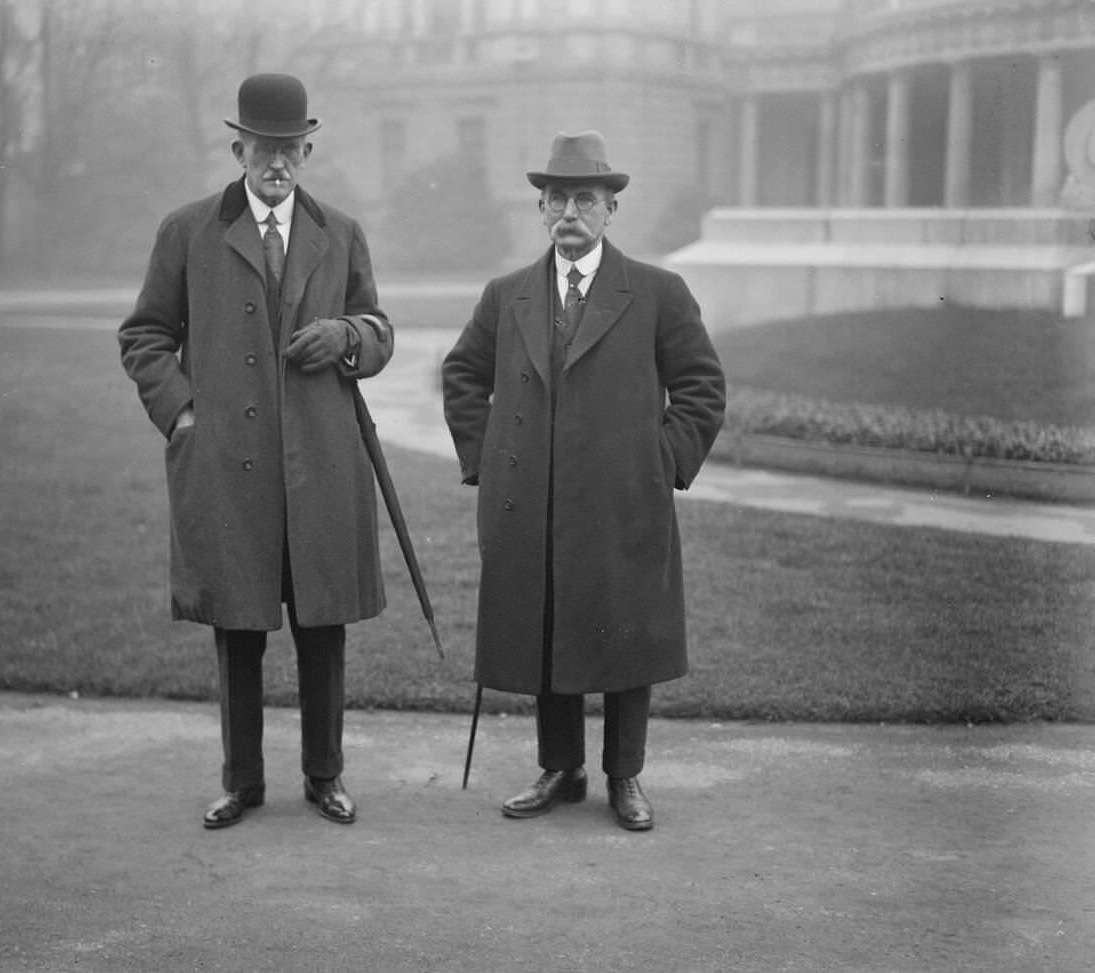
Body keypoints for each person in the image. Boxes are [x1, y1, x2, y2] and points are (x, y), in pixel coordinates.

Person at [118, 73, 393, 829]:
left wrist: (347, 337)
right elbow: (144, 337)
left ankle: (325, 775)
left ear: (309, 148)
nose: (278, 161)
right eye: (264, 146)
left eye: (291, 147)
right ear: (238, 147)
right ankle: (241, 782)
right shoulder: (188, 231)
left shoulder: (340, 231)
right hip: (227, 462)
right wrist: (180, 415)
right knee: (237, 626)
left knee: (322, 624)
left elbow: (379, 329)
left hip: (321, 462)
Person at [441, 131, 725, 831]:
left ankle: (624, 775)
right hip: (530, 504)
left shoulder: (657, 293)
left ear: (610, 209)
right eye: (557, 198)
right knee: (546, 631)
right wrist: (488, 458)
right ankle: (560, 769)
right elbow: (461, 377)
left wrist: (659, 464)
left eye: (586, 199)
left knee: (627, 635)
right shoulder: (507, 296)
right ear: (540, 208)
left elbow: (701, 388)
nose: (570, 211)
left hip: (624, 503)